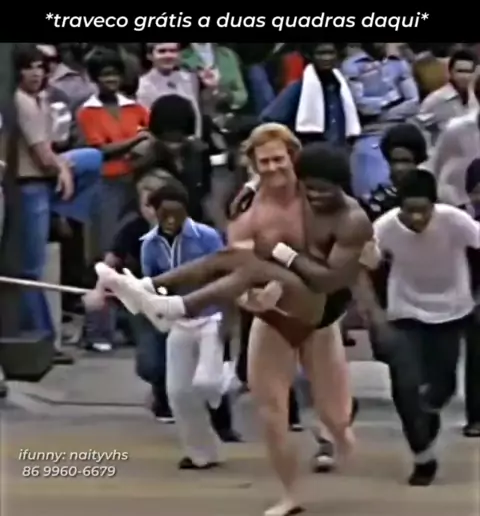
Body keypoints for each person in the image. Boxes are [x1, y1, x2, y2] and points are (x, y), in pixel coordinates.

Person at [98, 125, 375, 515]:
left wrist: (360, 261)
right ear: (253, 166)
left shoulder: (321, 191)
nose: (273, 168)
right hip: (272, 314)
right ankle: (290, 494)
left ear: (293, 158)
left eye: (279, 159)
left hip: (319, 314)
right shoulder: (248, 204)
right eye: (265, 162)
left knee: (335, 414)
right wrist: (251, 297)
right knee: (270, 411)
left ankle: (340, 433)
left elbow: (346, 261)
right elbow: (237, 268)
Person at [357, 169, 478, 485]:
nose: (417, 218)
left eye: (423, 210)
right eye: (409, 211)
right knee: (405, 385)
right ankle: (422, 457)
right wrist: (374, 315)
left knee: (443, 387)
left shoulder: (455, 221)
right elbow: (361, 269)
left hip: (452, 311)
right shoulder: (384, 228)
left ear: (434, 205)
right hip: (405, 312)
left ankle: (430, 412)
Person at [13, 44, 102, 344]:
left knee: (92, 158)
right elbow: (41, 154)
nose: (36, 73)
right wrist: (61, 169)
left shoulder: (42, 99)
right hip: (29, 184)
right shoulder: (21, 101)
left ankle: (63, 212)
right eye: (29, 67)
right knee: (31, 269)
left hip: (45, 179)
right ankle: (45, 337)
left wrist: (61, 166)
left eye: (40, 67)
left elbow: (54, 144)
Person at [140, 181, 230, 469]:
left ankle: (230, 380)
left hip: (211, 317)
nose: (170, 220)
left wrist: (228, 319)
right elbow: (150, 284)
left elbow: (226, 274)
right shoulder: (149, 244)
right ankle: (201, 452)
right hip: (179, 321)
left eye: (175, 214)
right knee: (178, 393)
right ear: (154, 212)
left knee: (206, 382)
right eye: (163, 214)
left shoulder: (207, 236)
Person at [342, 43, 419, 198]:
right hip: (370, 133)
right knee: (372, 191)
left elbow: (413, 101)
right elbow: (361, 106)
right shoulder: (351, 66)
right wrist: (393, 98)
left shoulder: (399, 63)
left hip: (402, 130)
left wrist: (383, 111)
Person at [261, 42, 361, 148]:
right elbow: (270, 119)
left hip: (341, 150)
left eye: (331, 53)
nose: (326, 58)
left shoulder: (342, 85)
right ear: (311, 56)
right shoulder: (300, 86)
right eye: (321, 54)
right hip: (311, 151)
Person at [137, 42, 202, 136]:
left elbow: (196, 115)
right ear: (150, 56)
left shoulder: (190, 79)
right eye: (162, 51)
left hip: (189, 140)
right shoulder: (142, 85)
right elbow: (144, 123)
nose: (168, 56)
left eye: (173, 51)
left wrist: (196, 139)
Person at [417, 49, 477, 148]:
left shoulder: (476, 98)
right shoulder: (435, 100)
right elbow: (421, 132)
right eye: (460, 71)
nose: (465, 76)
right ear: (451, 72)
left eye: (469, 72)